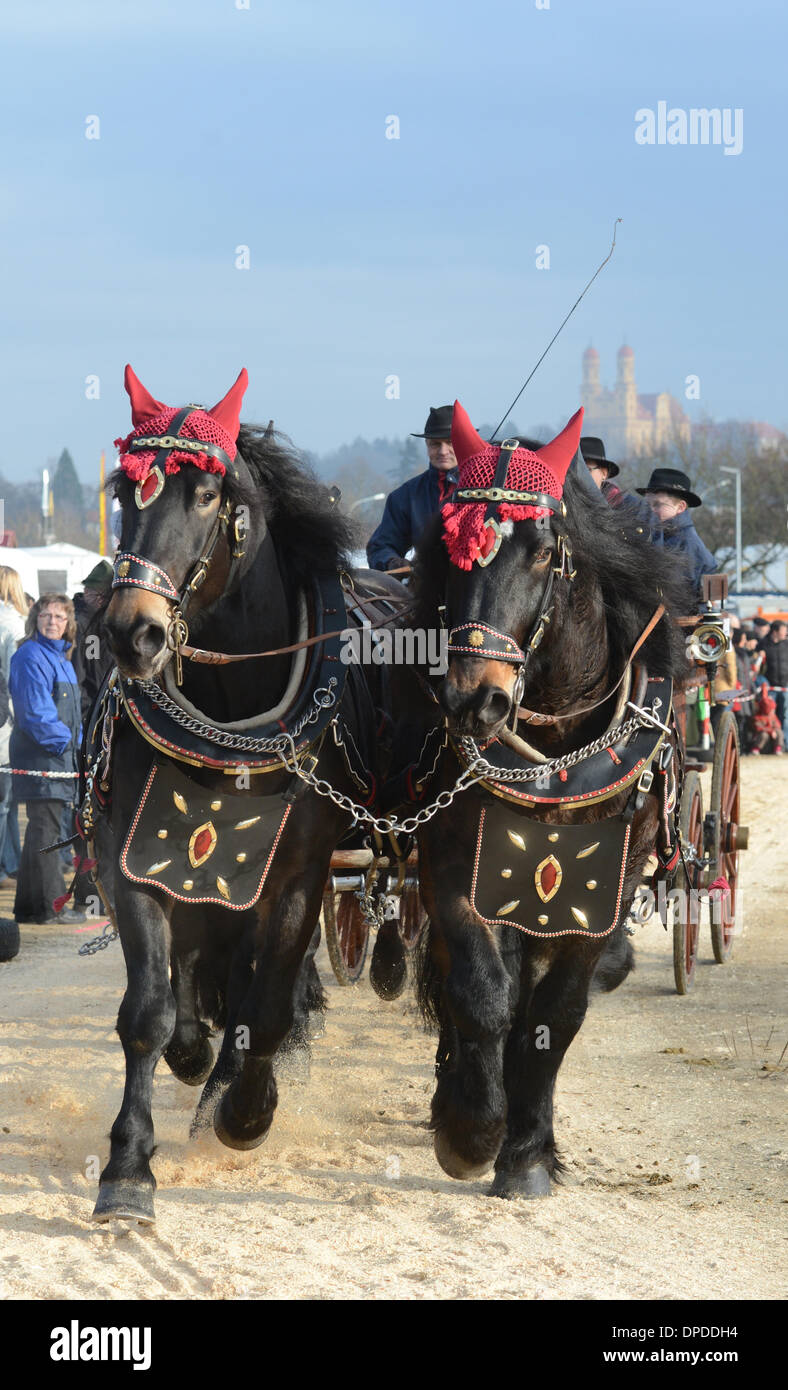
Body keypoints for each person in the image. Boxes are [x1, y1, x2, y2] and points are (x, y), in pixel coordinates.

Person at [9, 594, 84, 926]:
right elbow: (36, 714)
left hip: (60, 759)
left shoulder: (63, 659)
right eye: (46, 615)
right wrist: (66, 745)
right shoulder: (29, 655)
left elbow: (73, 717)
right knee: (47, 832)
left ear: (68, 624)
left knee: (42, 830)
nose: (52, 621)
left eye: (59, 617)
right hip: (43, 755)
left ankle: (28, 907)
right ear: (36, 619)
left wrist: (78, 746)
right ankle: (50, 908)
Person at [366, 405, 459, 571]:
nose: (443, 451)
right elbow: (381, 547)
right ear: (426, 445)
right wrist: (392, 562)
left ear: (463, 441)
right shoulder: (405, 496)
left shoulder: (486, 488)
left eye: (450, 442)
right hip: (427, 590)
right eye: (435, 444)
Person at [636, 467, 717, 596]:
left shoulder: (687, 542)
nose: (651, 510)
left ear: (680, 507)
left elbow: (670, 590)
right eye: (647, 504)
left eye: (657, 504)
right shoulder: (658, 534)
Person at [0, 566, 28, 886]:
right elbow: (13, 677)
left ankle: (11, 860)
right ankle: (6, 862)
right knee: (5, 800)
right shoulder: (12, 623)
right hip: (6, 720)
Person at [580, 435, 656, 534]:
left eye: (586, 470)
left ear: (604, 473)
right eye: (575, 470)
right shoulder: (562, 509)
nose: (580, 476)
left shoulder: (635, 510)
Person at [72, 560, 115, 721]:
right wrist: (86, 713)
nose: (104, 602)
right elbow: (84, 671)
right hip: (90, 708)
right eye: (103, 597)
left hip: (100, 705)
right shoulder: (82, 624)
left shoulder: (101, 622)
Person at [762, 620, 788, 740]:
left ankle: (784, 742)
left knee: (785, 715)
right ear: (775, 632)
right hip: (769, 687)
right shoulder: (763, 644)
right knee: (769, 715)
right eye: (784, 631)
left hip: (784, 687)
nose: (786, 633)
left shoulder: (786, 645)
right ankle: (771, 743)